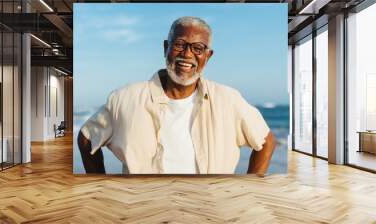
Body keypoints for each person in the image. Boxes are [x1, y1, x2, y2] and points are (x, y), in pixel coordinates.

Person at [78, 16, 276, 175]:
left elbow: (266, 141)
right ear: (166, 47)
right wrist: (100, 187)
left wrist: (252, 188)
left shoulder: (229, 100)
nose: (188, 54)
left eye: (198, 48)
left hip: (212, 209)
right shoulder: (125, 98)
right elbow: (86, 138)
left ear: (208, 56)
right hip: (145, 211)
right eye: (180, 44)